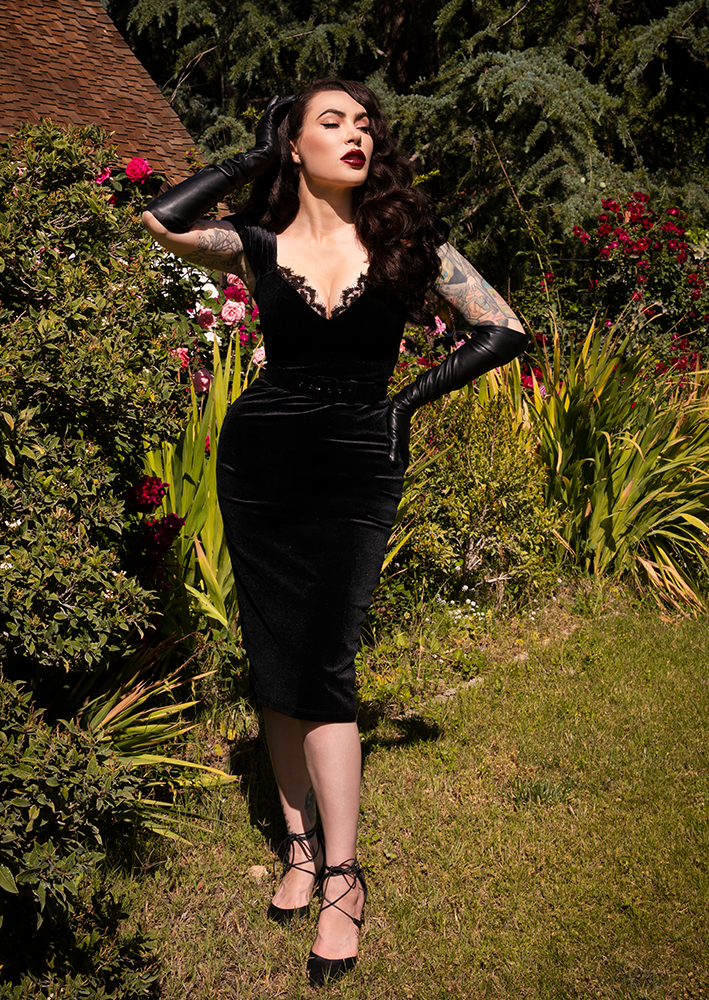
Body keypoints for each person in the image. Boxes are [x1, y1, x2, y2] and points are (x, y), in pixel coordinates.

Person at [142, 78, 527, 988]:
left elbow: (503, 327)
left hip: (358, 462)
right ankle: (301, 849)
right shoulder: (257, 244)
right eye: (331, 122)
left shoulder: (405, 243)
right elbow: (160, 220)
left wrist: (403, 403)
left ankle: (345, 882)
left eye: (364, 124)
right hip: (261, 460)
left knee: (324, 662)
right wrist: (255, 156)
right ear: (296, 144)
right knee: (275, 656)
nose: (356, 135)